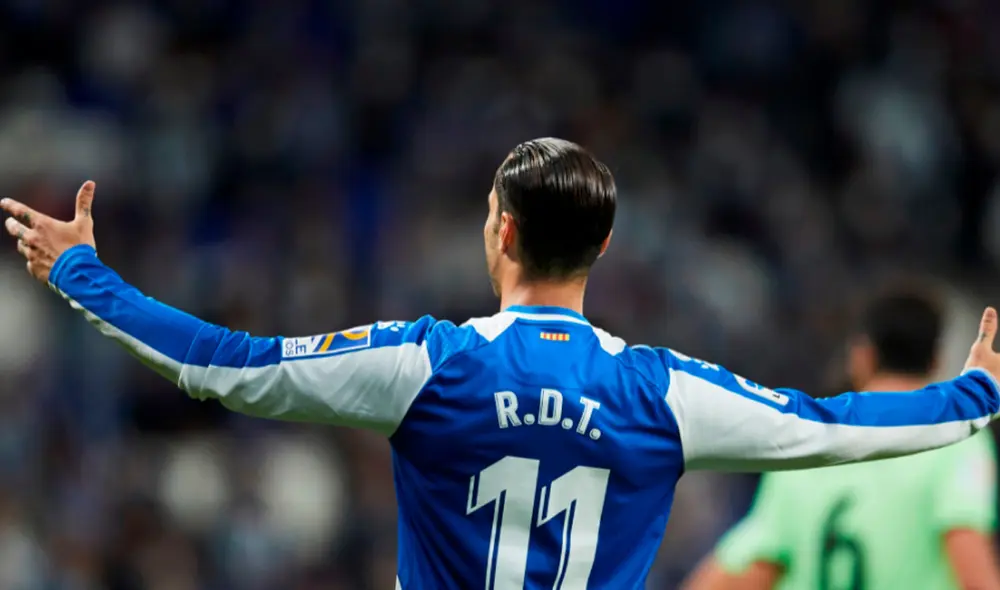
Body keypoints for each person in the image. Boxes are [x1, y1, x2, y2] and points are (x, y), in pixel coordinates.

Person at [3, 138, 1000, 589]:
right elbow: (828, 424)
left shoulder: (427, 364)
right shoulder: (664, 390)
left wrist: (83, 273)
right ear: (602, 250)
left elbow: (227, 365)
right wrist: (973, 396)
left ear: (502, 230)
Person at [681, 289, 1000, 590]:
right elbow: (970, 562)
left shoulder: (804, 440)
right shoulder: (955, 439)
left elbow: (750, 570)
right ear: (937, 360)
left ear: (863, 356)